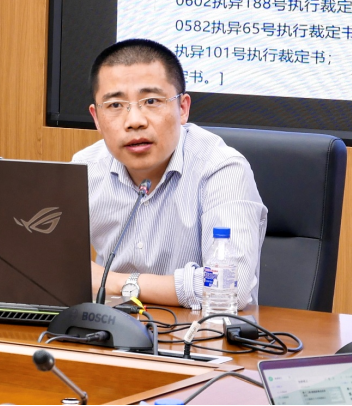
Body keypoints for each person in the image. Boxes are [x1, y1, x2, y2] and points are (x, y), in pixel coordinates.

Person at [72, 39, 267, 308]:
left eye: (151, 101)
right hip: (109, 328)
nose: (135, 121)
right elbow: (53, 267)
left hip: (201, 330)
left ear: (182, 108)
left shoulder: (222, 169)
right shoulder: (85, 168)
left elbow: (230, 285)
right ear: (96, 118)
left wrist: (116, 283)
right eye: (115, 105)